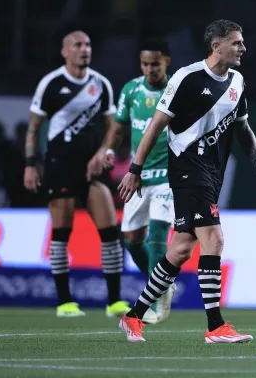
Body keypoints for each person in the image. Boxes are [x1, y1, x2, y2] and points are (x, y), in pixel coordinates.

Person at [117, 19, 256, 343]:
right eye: (237, 42)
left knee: (180, 249)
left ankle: (133, 317)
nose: (243, 48)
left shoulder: (237, 81)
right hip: (188, 169)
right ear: (216, 46)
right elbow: (155, 125)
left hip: (212, 173)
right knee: (214, 240)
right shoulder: (187, 78)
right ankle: (215, 326)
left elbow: (242, 129)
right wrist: (135, 169)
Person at [23, 30, 129, 318]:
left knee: (109, 232)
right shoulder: (51, 84)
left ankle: (115, 300)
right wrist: (31, 164)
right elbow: (33, 129)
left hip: (92, 169)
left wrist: (104, 153)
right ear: (64, 51)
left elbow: (114, 129)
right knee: (61, 234)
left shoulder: (101, 84)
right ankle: (65, 301)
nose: (84, 50)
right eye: (78, 45)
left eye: (88, 45)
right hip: (60, 166)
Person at [99, 38, 176, 324]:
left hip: (168, 176)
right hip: (138, 178)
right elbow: (118, 127)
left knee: (157, 236)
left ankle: (156, 301)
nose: (149, 69)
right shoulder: (131, 90)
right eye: (145, 64)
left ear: (166, 61)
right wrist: (108, 150)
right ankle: (163, 282)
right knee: (132, 240)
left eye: (155, 63)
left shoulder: (176, 89)